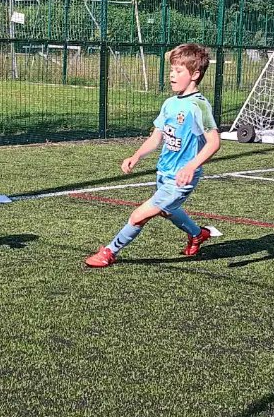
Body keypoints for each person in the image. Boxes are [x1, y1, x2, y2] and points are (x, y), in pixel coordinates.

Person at [85, 42, 221, 268]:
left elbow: (214, 142)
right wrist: (136, 155)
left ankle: (109, 252)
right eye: (171, 70)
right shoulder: (169, 103)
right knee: (168, 211)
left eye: (178, 71)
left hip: (181, 179)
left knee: (139, 215)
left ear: (195, 74)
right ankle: (198, 234)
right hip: (164, 173)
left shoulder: (199, 106)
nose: (172, 75)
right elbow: (156, 137)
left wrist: (191, 166)